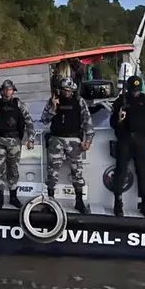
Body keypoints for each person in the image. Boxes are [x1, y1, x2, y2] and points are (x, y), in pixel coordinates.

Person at [39, 77, 95, 214]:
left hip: (74, 140)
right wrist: (53, 107)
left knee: (77, 172)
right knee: (52, 172)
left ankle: (79, 202)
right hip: (56, 139)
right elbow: (44, 120)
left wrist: (88, 140)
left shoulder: (79, 101)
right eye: (65, 90)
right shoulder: (54, 100)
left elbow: (87, 121)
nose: (68, 93)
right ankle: (50, 202)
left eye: (70, 91)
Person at [109, 75, 145, 218]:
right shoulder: (121, 101)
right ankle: (118, 203)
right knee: (120, 171)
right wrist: (119, 119)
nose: (135, 92)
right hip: (125, 138)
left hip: (142, 139)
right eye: (133, 90)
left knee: (144, 173)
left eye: (137, 90)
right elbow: (113, 122)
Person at [0, 79, 36, 210]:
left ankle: (13, 197)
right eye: (6, 90)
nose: (8, 92)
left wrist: (31, 139)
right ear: (1, 91)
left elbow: (29, 122)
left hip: (14, 142)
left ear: (13, 91)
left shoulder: (18, 104)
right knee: (0, 170)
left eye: (10, 90)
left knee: (13, 170)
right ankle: (0, 198)